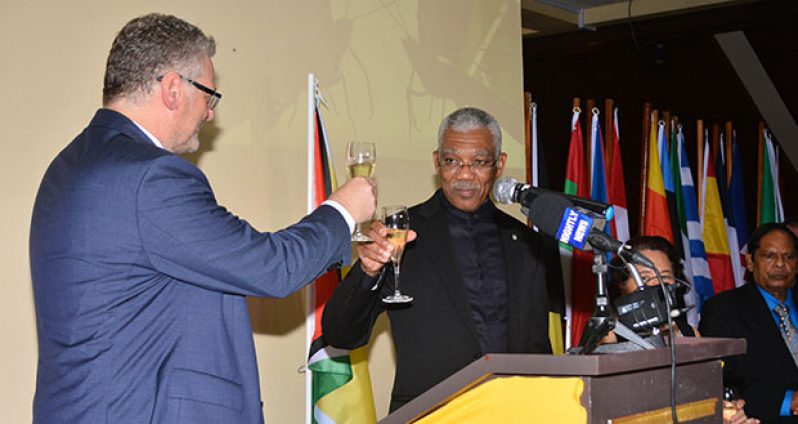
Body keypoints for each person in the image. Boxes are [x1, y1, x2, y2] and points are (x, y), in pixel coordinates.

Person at [29, 14, 376, 424]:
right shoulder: (151, 177)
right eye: (210, 96)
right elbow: (271, 268)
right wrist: (341, 211)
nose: (210, 114)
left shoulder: (67, 168)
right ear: (174, 88)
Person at [322, 107, 562, 411]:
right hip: (432, 414)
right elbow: (340, 334)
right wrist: (367, 272)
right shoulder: (400, 233)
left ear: (499, 165)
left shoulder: (527, 241)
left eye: (479, 162)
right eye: (452, 161)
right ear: (437, 162)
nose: (464, 174)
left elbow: (538, 348)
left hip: (517, 412)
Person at [700, 223, 798, 422]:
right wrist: (789, 401)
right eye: (769, 256)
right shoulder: (723, 309)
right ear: (751, 262)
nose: (780, 264)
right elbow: (720, 379)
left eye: (788, 257)